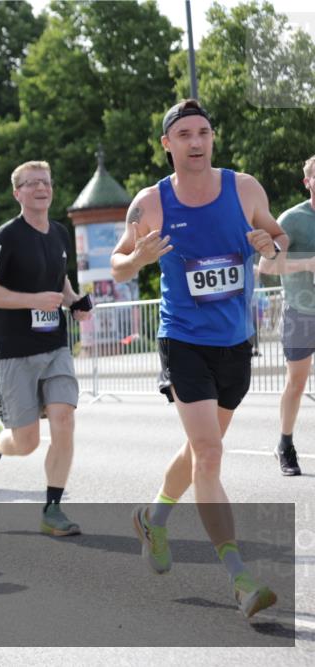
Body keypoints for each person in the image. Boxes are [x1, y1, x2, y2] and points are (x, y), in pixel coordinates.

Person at [110, 99, 285, 619]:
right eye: (183, 133)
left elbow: (277, 241)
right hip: (183, 340)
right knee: (209, 454)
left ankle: (153, 518)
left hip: (235, 342)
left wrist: (268, 248)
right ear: (167, 143)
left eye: (203, 132)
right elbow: (119, 265)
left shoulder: (245, 188)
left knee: (199, 450)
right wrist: (136, 258)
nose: (195, 141)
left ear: (212, 138)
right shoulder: (151, 203)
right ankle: (240, 579)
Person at [0, 161, 92, 536]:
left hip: (55, 346)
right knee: (26, 441)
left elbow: (61, 280)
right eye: (31, 183)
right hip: (13, 351)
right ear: (17, 192)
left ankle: (52, 509)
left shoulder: (58, 234)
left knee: (64, 421)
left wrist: (74, 301)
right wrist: (32, 301)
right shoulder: (6, 237)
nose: (41, 188)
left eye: (46, 182)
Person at [260, 154, 315, 476]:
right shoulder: (292, 219)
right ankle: (285, 443)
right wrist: (306, 264)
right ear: (307, 181)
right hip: (301, 312)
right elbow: (267, 266)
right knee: (296, 383)